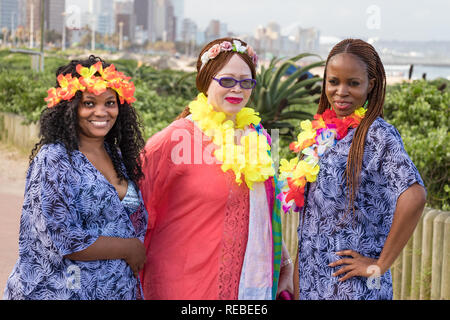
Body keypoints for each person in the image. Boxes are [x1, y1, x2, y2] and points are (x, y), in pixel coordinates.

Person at [138, 37, 294, 300]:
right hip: (184, 286)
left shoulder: (256, 136)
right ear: (205, 81)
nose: (238, 89)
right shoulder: (175, 139)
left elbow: (268, 210)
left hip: (244, 289)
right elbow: (134, 211)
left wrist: (284, 262)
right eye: (227, 80)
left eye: (246, 82)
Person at [278, 39, 426, 299]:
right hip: (312, 282)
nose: (341, 91)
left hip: (352, 288)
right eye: (334, 81)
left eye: (353, 83)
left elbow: (414, 195)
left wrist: (379, 265)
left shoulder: (377, 134)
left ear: (371, 85)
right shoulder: (321, 134)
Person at [3, 55, 147, 300]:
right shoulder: (55, 159)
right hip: (64, 290)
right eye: (89, 103)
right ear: (70, 107)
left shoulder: (118, 156)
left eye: (110, 103)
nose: (101, 112)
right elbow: (64, 237)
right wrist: (129, 248)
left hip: (116, 291)